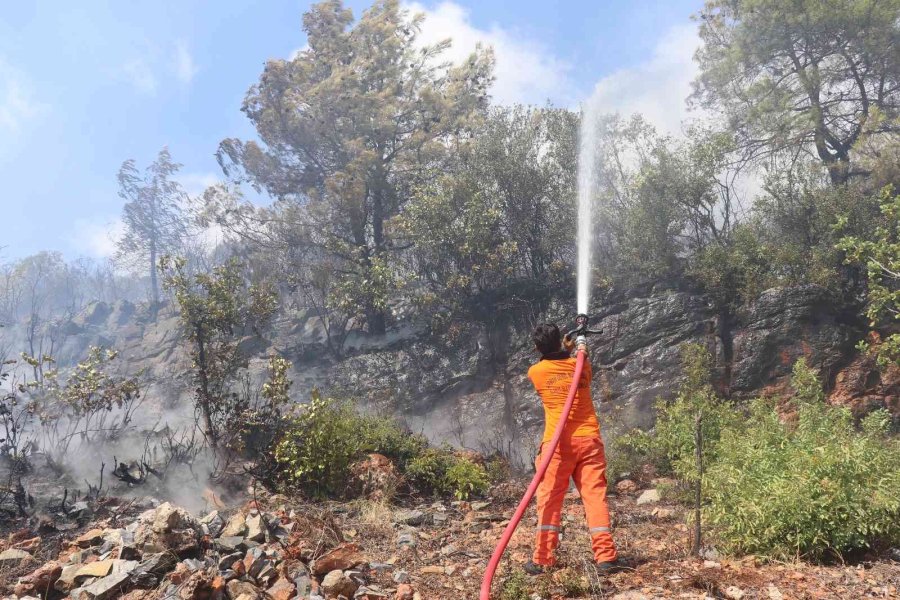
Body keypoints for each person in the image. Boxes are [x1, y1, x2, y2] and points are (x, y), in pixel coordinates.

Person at [524, 322, 620, 575]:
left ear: (537, 347)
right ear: (559, 341)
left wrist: (563, 350)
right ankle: (606, 557)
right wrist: (575, 348)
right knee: (594, 497)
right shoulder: (581, 365)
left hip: (557, 446)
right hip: (589, 441)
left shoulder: (536, 372)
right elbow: (581, 363)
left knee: (549, 500)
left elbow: (552, 363)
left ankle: (543, 559)